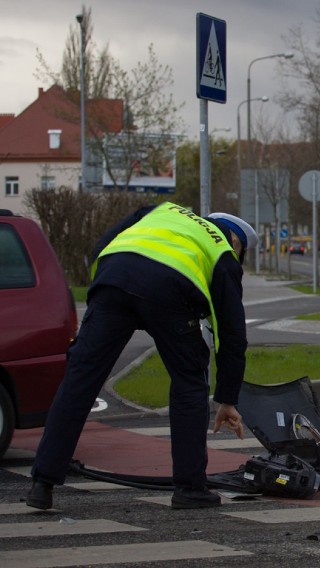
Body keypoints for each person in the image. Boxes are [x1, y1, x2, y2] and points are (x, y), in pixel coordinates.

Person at [25, 202, 257, 510]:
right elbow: (231, 335)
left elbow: (104, 244)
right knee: (189, 380)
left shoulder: (162, 210)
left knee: (80, 379)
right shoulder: (222, 252)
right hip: (170, 291)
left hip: (114, 277)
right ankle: (189, 488)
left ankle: (42, 484)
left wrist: (112, 289)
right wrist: (227, 398)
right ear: (238, 243)